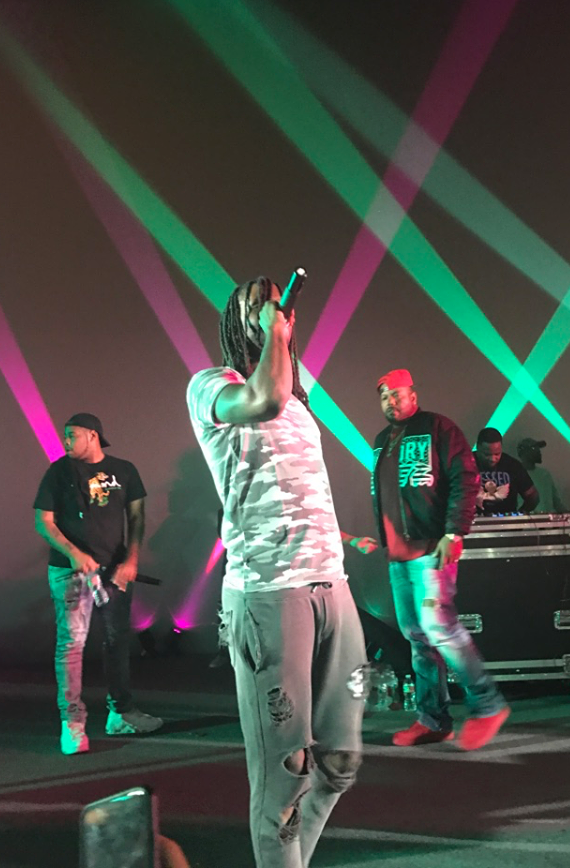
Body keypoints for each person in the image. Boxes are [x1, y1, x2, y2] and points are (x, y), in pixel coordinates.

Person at [187, 276, 366, 868]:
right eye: (262, 307)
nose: (276, 314)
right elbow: (261, 400)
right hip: (269, 593)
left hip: (331, 584)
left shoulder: (297, 398)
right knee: (286, 773)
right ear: (241, 319)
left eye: (279, 307)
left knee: (339, 761)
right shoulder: (211, 386)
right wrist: (273, 337)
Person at [358, 369, 509, 751]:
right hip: (399, 555)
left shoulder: (438, 428)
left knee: (438, 627)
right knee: (417, 637)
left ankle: (488, 705)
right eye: (384, 396)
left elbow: (466, 478)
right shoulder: (381, 440)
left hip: (430, 549)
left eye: (397, 394)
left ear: (413, 395)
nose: (391, 401)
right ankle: (433, 720)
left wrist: (454, 532)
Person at [34, 413, 163, 755]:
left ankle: (120, 713)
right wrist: (74, 553)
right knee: (71, 645)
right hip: (70, 572)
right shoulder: (58, 472)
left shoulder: (125, 470)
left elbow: (136, 517)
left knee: (116, 640)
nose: (66, 441)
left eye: (71, 435)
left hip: (115, 571)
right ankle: (72, 724)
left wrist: (131, 561)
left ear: (93, 435)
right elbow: (43, 521)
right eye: (65, 435)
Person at [474, 426, 539, 515]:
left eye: (497, 454)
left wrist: (518, 515)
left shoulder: (512, 465)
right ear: (478, 447)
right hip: (471, 520)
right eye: (487, 454)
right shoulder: (464, 464)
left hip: (506, 521)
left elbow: (532, 496)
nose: (492, 459)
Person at [516, 437, 568, 513]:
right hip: (525, 519)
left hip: (548, 518)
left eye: (538, 448)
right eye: (534, 448)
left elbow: (556, 502)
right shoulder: (515, 474)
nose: (538, 451)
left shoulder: (545, 474)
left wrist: (567, 513)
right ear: (524, 453)